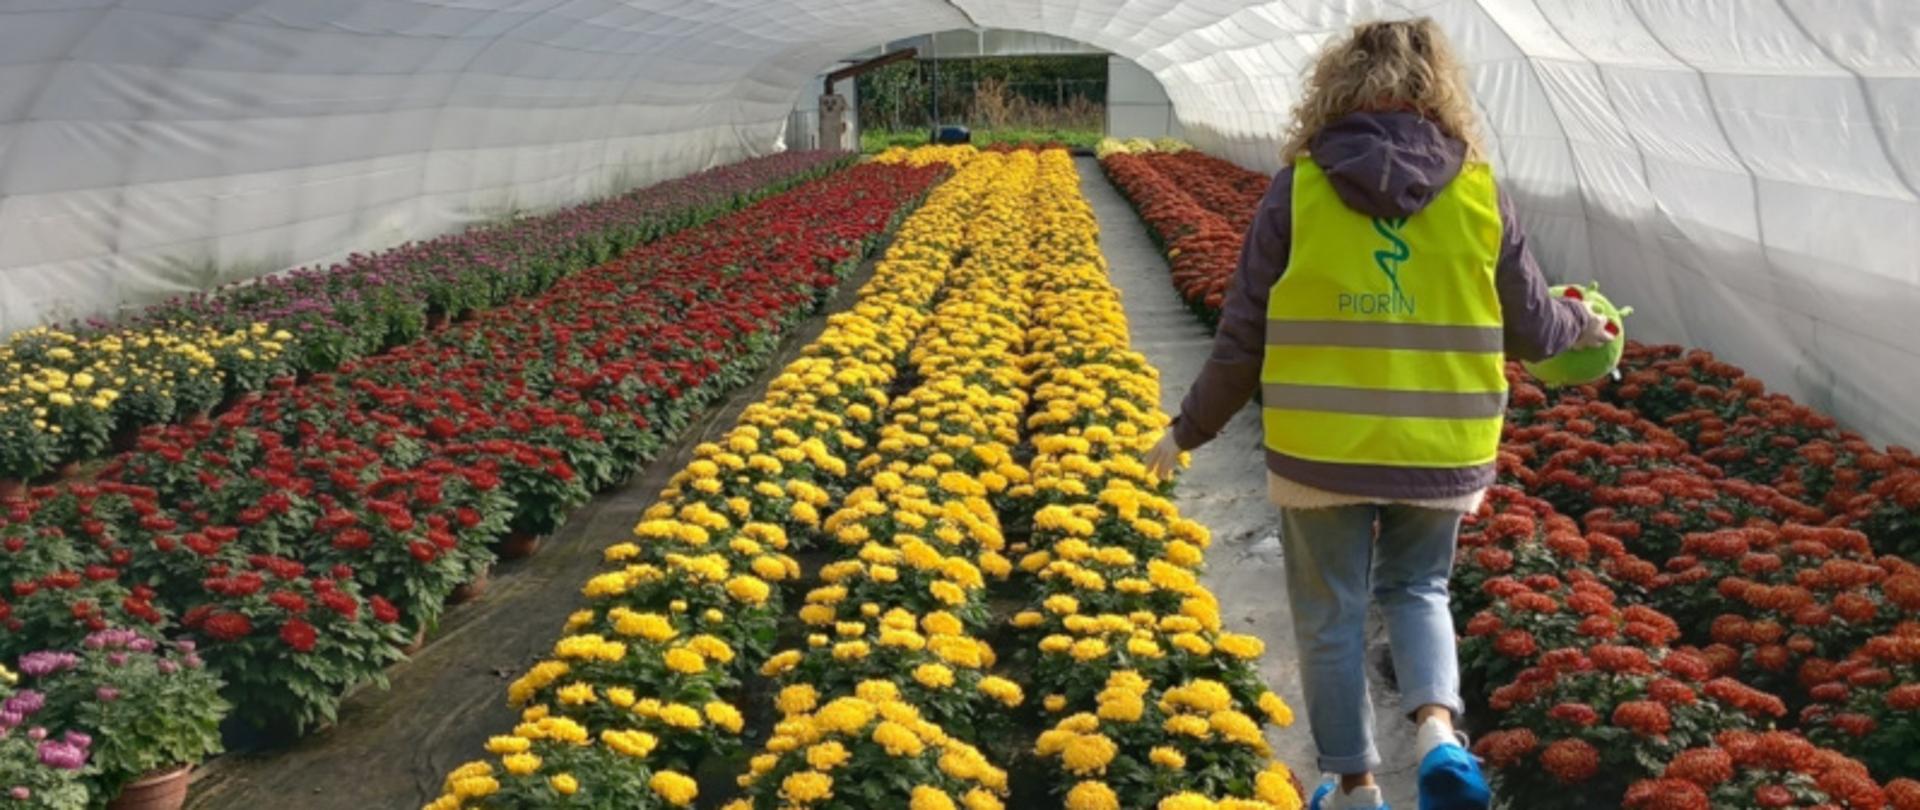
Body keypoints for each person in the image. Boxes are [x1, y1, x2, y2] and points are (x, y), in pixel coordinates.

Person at [1142, 17, 1611, 810]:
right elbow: (1533, 326)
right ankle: (1436, 735)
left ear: (1336, 86)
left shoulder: (1301, 188)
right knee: (1420, 590)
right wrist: (1586, 326)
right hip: (1441, 443)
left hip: (1318, 447)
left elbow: (1242, 332)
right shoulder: (1477, 191)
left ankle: (1355, 784)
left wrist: (1187, 430)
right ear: (1439, 89)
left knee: (1331, 613)